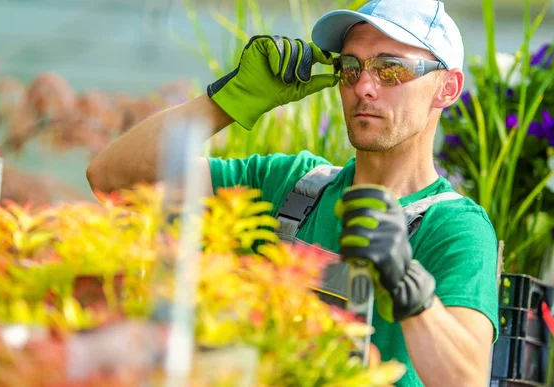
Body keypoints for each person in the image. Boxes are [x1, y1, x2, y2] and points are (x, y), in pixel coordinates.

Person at [86, 0, 499, 385]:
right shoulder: (288, 186)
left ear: (447, 88)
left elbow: (466, 377)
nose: (363, 87)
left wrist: (406, 282)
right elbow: (112, 176)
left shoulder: (454, 229)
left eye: (390, 69)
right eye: (351, 67)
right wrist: (229, 101)